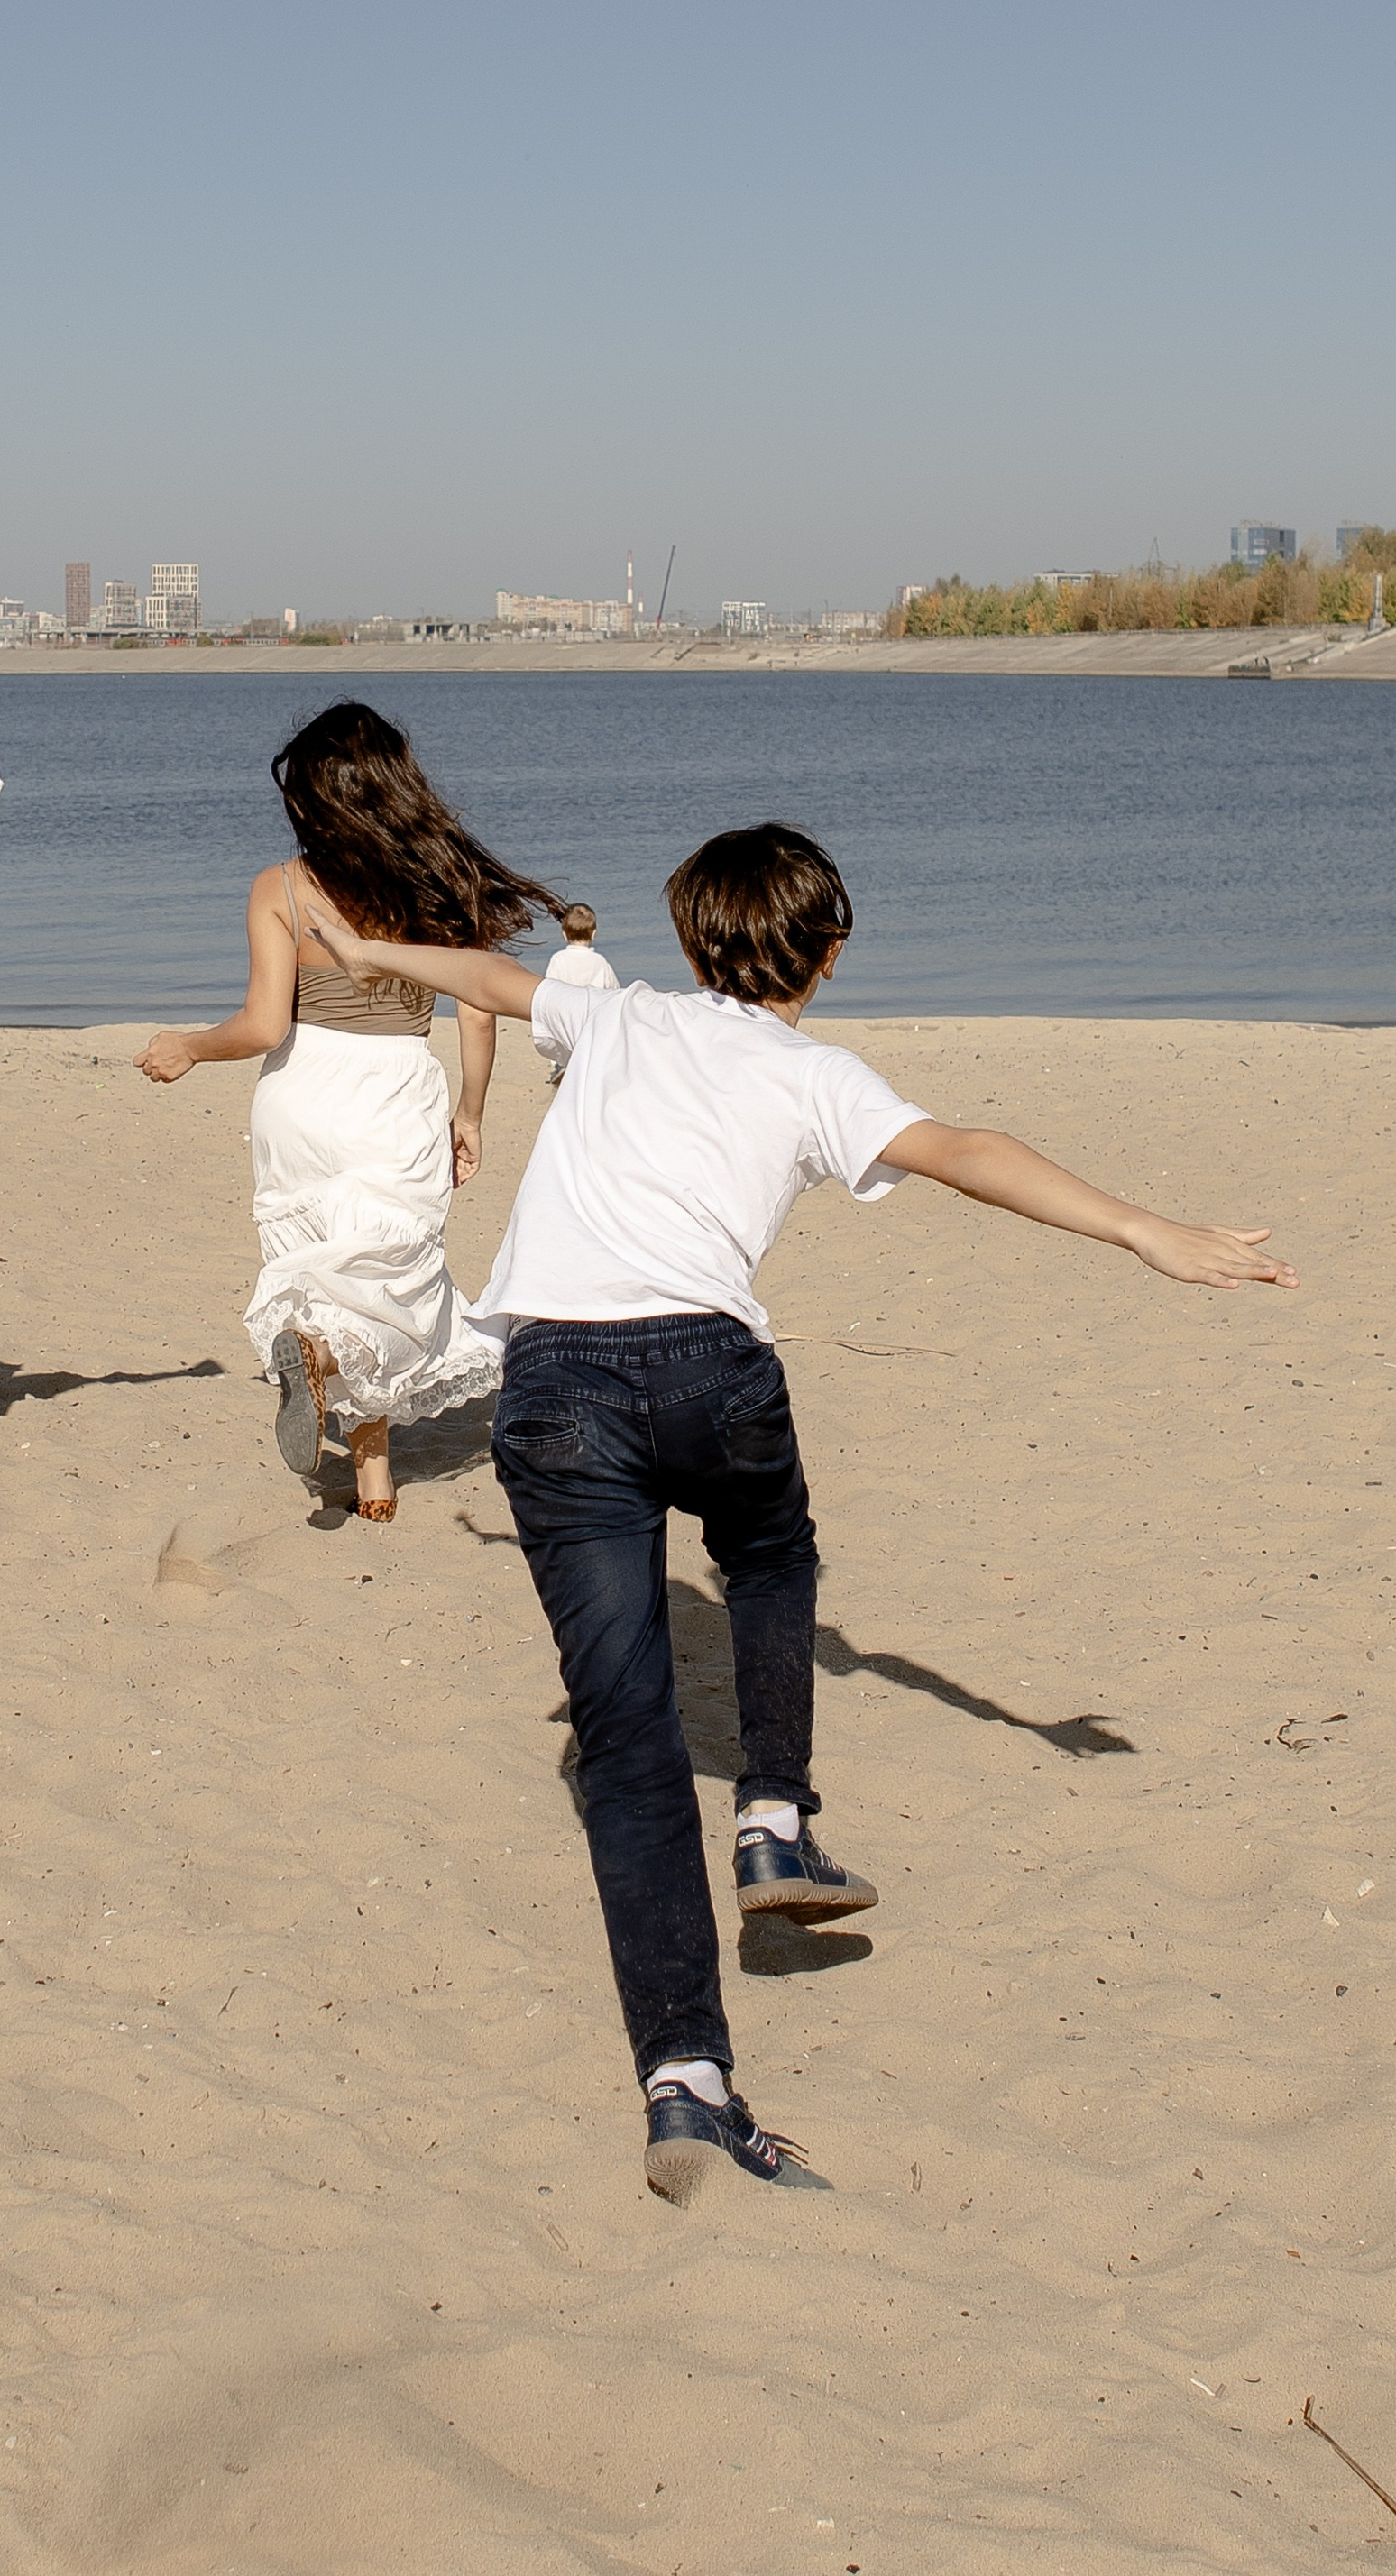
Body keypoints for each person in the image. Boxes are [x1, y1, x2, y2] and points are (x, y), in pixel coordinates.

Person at [300, 821, 1294, 2198]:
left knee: (626, 1746)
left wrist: (357, 949)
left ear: (692, 937)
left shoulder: (616, 1009)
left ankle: (688, 2084)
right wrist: (1142, 1230)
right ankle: (773, 1813)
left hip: (554, 1386)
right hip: (708, 1369)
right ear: (826, 957)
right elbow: (962, 1147)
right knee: (769, 1551)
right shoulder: (815, 1072)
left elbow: (481, 976)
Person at [135, 701, 563, 1520]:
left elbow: (264, 1026)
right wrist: (470, 1114)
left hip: (299, 1095)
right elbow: (477, 1012)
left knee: (322, 1266)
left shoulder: (281, 890)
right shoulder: (440, 879)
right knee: (392, 1281)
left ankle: (368, 1463)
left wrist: (190, 1044)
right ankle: (327, 1365)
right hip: (393, 1093)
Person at [537, 902, 619, 1083]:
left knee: (561, 1039)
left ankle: (560, 1065)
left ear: (564, 935)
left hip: (566, 1013)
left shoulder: (558, 959)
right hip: (592, 1015)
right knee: (593, 1042)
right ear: (594, 934)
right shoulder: (600, 962)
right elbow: (613, 989)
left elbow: (549, 988)